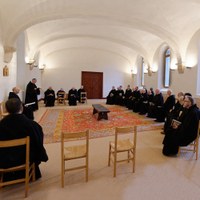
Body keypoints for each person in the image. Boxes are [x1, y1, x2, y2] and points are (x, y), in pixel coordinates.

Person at [0, 98, 48, 180]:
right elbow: (38, 143)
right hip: (26, 159)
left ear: (6, 109)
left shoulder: (1, 125)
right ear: (22, 108)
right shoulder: (32, 125)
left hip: (4, 161)